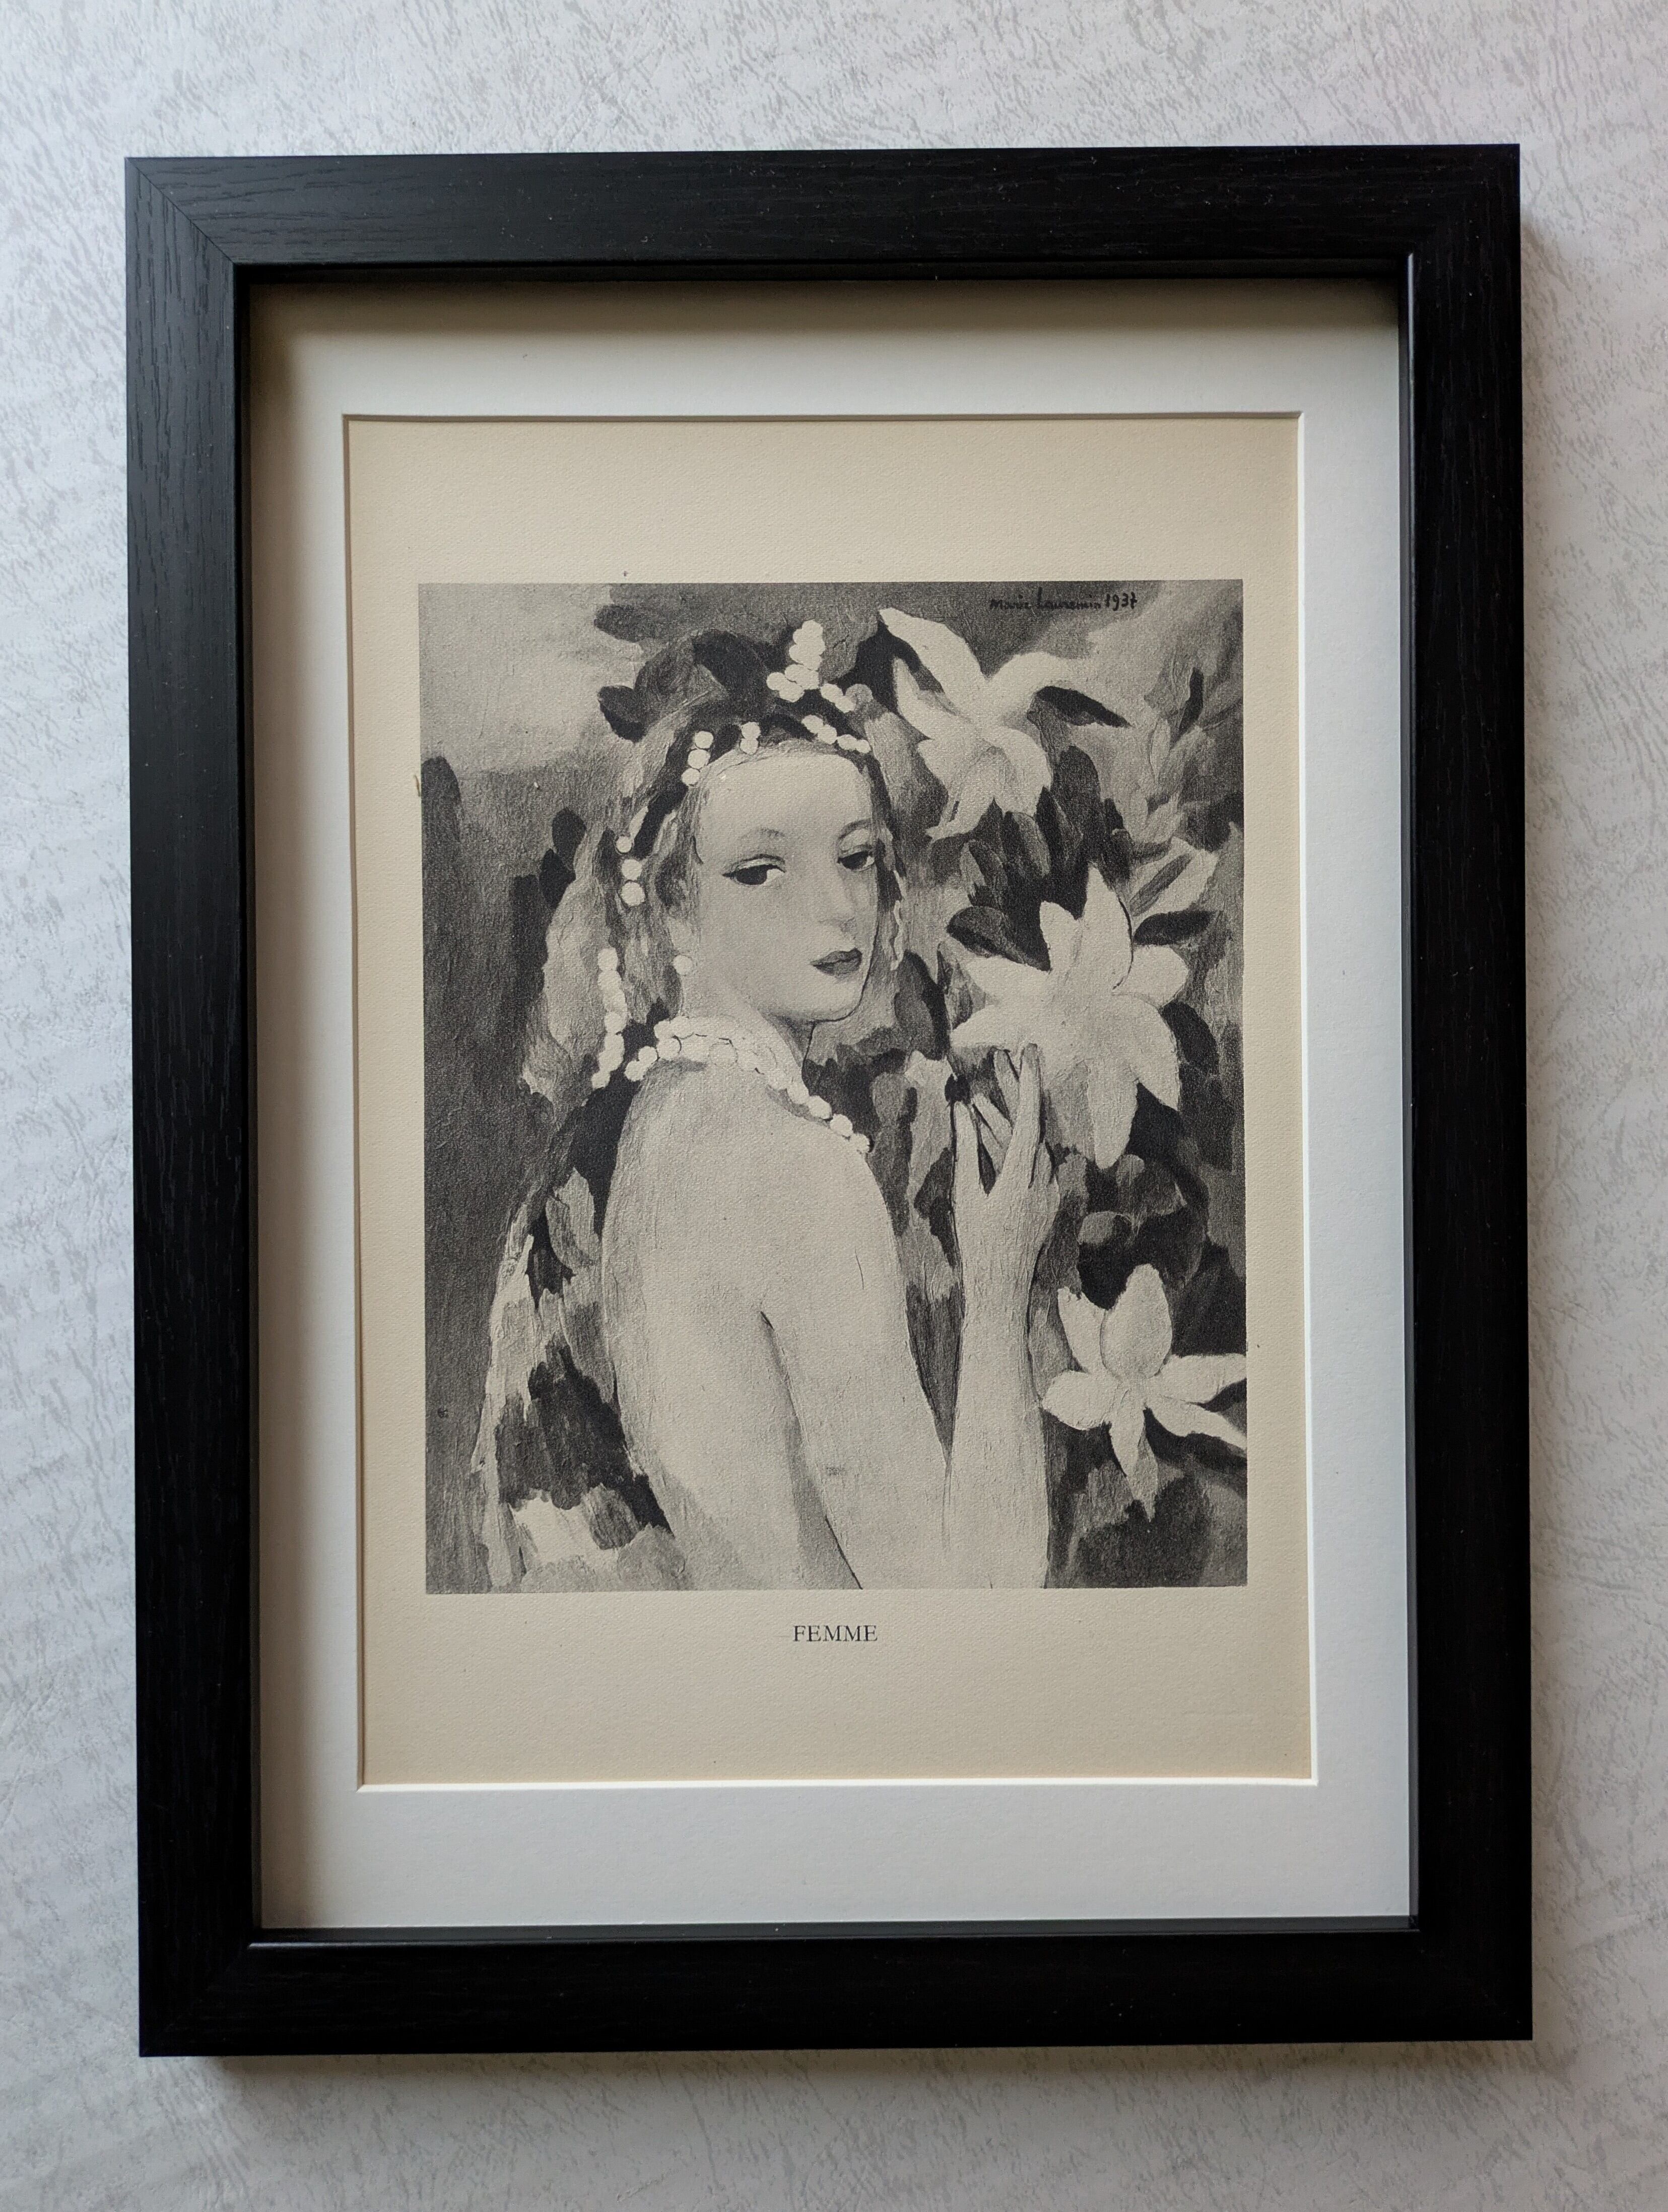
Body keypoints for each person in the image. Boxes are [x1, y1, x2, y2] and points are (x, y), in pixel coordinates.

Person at [583, 621, 1059, 1589]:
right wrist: (1000, 1280)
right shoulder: (793, 1165)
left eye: (856, 856)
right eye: (763, 870)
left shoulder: (661, 1123)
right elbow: (977, 1596)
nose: (839, 908)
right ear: (673, 904)